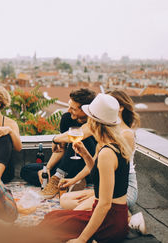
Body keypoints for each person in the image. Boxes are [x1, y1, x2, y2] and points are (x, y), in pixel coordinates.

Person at [39, 94, 132, 242]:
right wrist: (85, 154)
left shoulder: (107, 153)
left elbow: (105, 204)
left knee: (49, 227)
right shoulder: (111, 144)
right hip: (112, 215)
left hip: (110, 221)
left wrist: (81, 239)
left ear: (94, 122)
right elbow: (98, 174)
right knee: (52, 217)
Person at [59, 89, 140, 211]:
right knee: (65, 200)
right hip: (106, 184)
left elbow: (119, 176)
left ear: (120, 107)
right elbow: (94, 164)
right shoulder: (106, 134)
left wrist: (98, 194)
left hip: (123, 189)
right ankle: (114, 213)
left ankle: (126, 217)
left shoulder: (126, 135)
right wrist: (73, 180)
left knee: (78, 210)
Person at [20, 88, 97, 199]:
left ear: (85, 110)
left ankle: (60, 178)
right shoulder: (67, 118)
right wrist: (46, 170)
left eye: (73, 108)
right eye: (69, 106)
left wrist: (56, 139)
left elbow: (78, 136)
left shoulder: (95, 122)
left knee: (77, 140)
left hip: (89, 167)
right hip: (67, 165)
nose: (69, 110)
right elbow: (60, 149)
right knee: (26, 170)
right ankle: (65, 182)